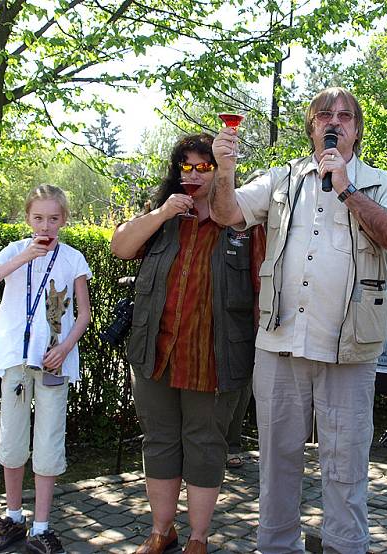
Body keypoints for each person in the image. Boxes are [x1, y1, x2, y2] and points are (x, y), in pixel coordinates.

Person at [210, 87, 387, 554]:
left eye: (344, 116)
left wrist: (347, 189)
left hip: (350, 348)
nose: (333, 122)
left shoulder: (377, 182)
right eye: (323, 115)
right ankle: (277, 547)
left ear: (356, 130)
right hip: (279, 344)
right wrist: (224, 169)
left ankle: (344, 547)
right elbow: (225, 212)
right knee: (276, 464)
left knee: (346, 464)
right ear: (312, 126)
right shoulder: (281, 179)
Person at [110, 133, 264, 554]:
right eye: (187, 166)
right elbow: (121, 247)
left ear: (219, 171)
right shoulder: (162, 217)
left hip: (214, 357)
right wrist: (160, 214)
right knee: (159, 440)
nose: (194, 175)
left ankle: (198, 537)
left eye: (204, 166)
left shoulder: (243, 223)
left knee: (205, 444)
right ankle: (162, 531)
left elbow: (262, 286)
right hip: (154, 353)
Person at [0, 185, 92, 554]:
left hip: (53, 361)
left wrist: (66, 346)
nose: (46, 226)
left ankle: (41, 527)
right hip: (13, 362)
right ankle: (12, 516)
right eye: (38, 218)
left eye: (53, 218)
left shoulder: (73, 258)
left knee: (48, 442)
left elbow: (84, 314)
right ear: (27, 219)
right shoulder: (13, 251)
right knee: (10, 441)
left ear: (64, 220)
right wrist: (22, 259)